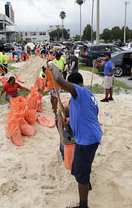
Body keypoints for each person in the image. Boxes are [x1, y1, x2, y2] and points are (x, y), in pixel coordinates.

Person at [46, 62, 102, 208]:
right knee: (78, 167)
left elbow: (58, 80)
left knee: (80, 174)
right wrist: (69, 127)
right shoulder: (86, 98)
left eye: (70, 87)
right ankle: (86, 183)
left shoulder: (81, 92)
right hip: (87, 137)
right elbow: (85, 117)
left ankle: (83, 205)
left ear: (75, 85)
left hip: (88, 140)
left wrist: (54, 68)